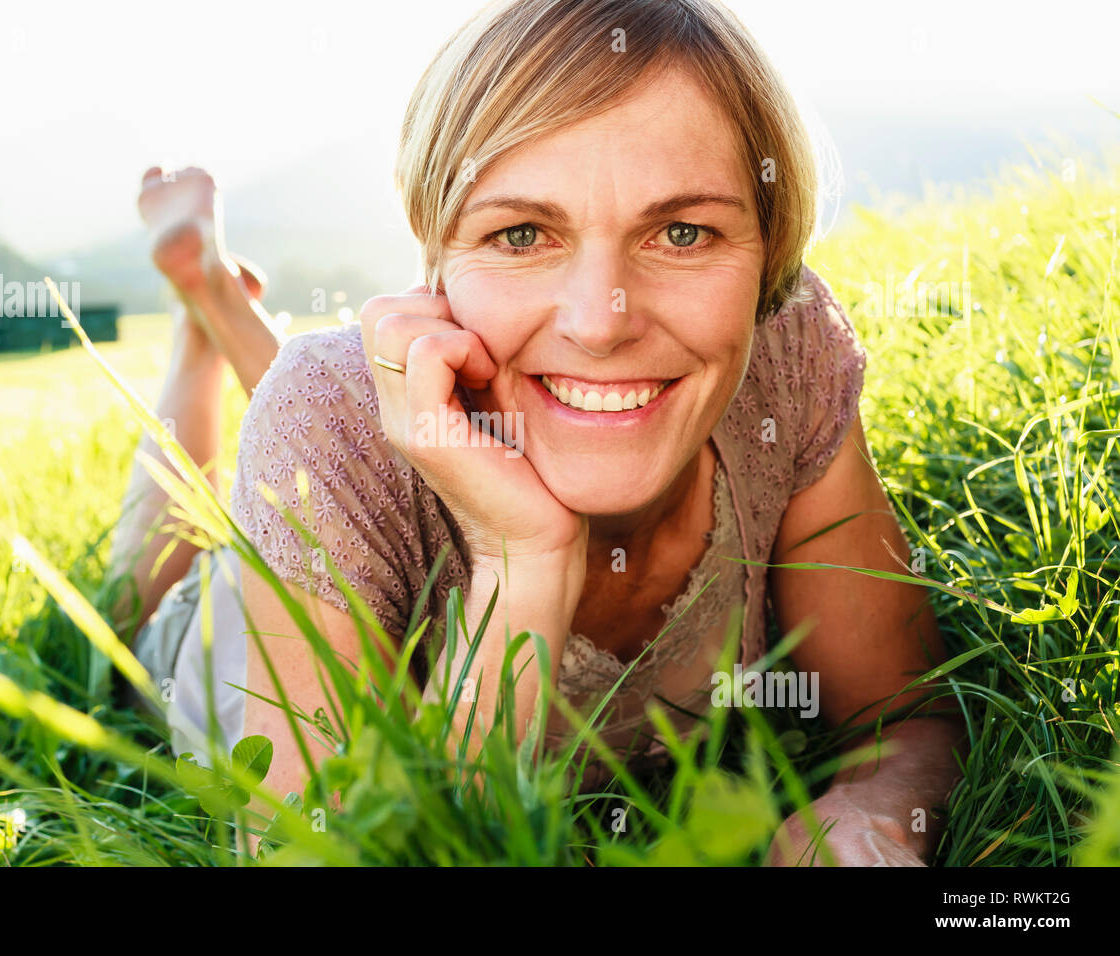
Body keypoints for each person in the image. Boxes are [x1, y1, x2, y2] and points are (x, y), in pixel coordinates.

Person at [120, 0, 967, 866]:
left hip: (370, 423)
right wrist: (523, 558)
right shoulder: (325, 414)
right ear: (437, 259)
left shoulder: (786, 356)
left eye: (683, 232)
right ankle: (206, 320)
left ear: (768, 252)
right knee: (145, 600)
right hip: (229, 625)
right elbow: (341, 854)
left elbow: (903, 718)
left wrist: (877, 808)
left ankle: (216, 301)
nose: (601, 322)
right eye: (522, 234)